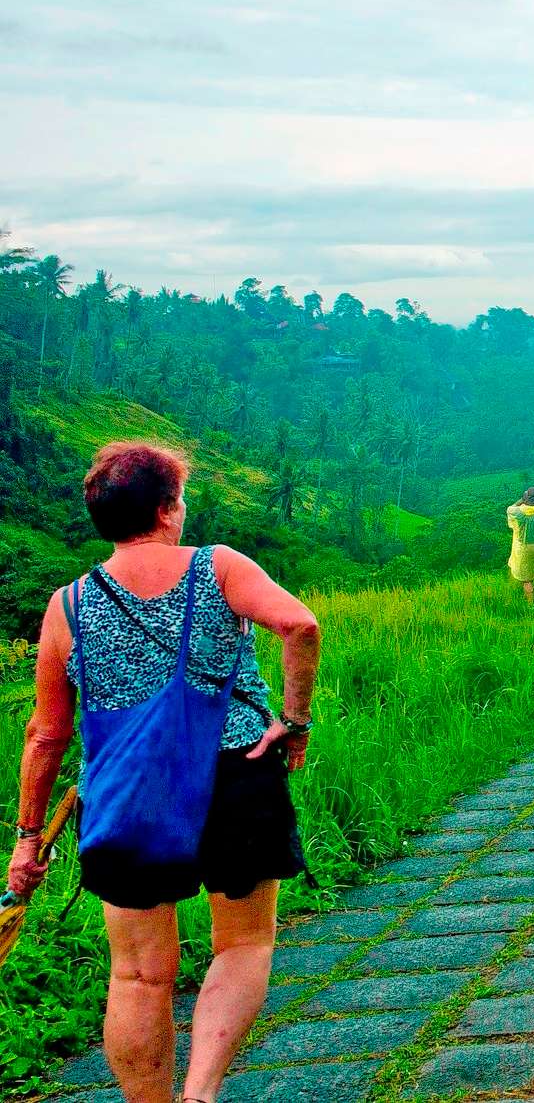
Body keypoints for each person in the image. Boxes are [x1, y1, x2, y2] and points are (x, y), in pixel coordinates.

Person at [9, 441, 320, 1103]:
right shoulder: (220, 567)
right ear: (165, 509)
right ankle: (200, 1092)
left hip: (127, 795)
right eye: (179, 499)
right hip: (238, 771)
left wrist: (27, 838)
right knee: (240, 944)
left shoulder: (66, 607)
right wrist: (293, 722)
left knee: (139, 976)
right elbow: (299, 624)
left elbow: (46, 735)